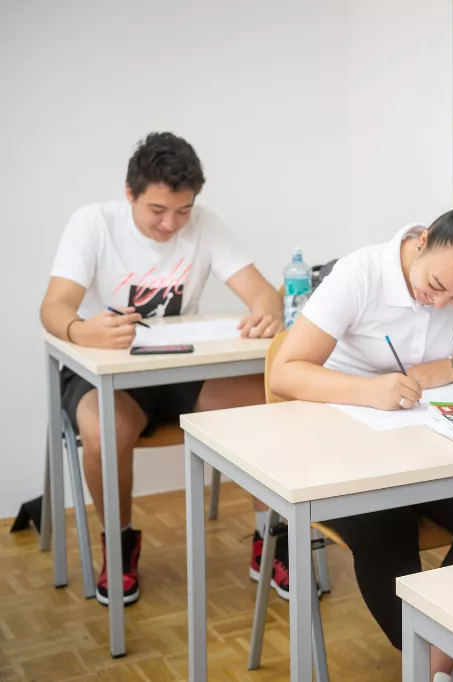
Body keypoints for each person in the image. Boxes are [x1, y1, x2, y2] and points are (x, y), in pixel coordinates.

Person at [270, 198, 453, 682]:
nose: (442, 304)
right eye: (436, 285)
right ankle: (431, 662)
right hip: (338, 446)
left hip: (424, 447)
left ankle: (431, 667)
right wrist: (367, 392)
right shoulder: (361, 274)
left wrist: (451, 368)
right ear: (421, 243)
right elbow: (286, 372)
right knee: (384, 524)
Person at [39, 132, 287, 606]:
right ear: (130, 194)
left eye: (184, 211)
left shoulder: (205, 225)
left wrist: (267, 313)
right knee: (104, 430)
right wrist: (80, 330)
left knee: (268, 400)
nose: (171, 224)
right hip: (104, 372)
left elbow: (264, 293)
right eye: (157, 210)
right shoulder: (93, 223)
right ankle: (121, 541)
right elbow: (52, 308)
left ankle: (269, 537)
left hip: (177, 367)